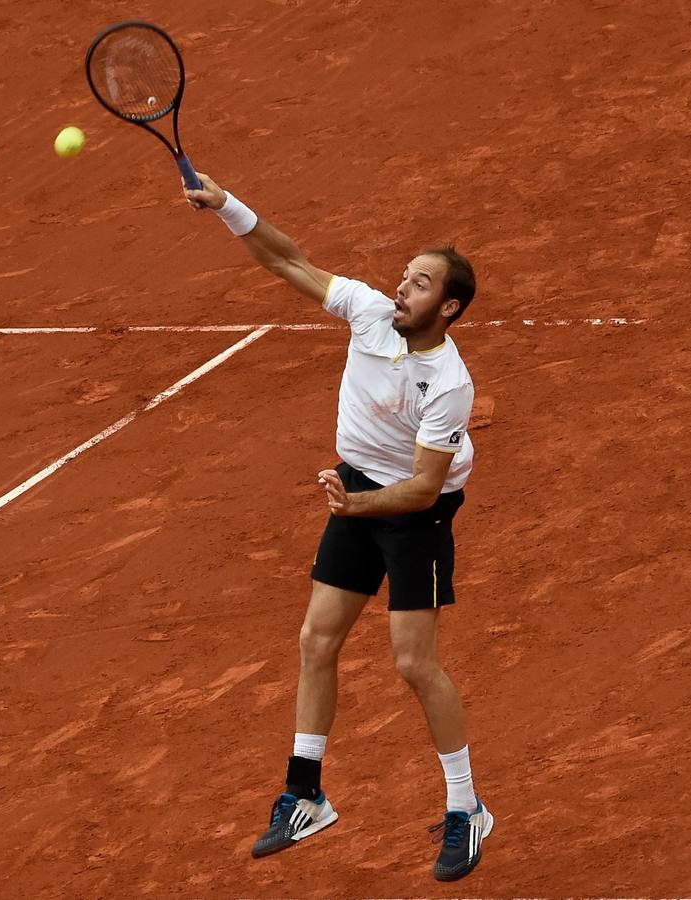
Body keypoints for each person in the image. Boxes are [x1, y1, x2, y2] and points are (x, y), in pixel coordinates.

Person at [184, 175, 493, 881]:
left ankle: (466, 806)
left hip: (416, 515)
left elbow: (419, 487)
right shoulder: (368, 313)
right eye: (404, 276)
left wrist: (356, 508)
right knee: (315, 639)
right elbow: (286, 259)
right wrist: (225, 203)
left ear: (447, 307)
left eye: (418, 283)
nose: (400, 288)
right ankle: (305, 792)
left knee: (413, 663)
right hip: (356, 492)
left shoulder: (448, 382)